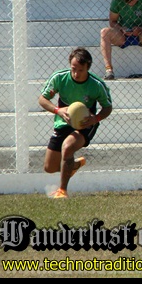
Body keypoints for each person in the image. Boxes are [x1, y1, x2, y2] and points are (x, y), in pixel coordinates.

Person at [38, 47, 113, 199]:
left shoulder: (96, 84)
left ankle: (62, 191)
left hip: (85, 124)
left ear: (88, 67)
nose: (76, 74)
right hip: (62, 122)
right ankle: (73, 164)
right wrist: (58, 110)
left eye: (80, 70)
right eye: (73, 69)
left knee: (68, 147)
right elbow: (42, 99)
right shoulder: (59, 78)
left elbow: (107, 107)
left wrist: (95, 119)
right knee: (50, 167)